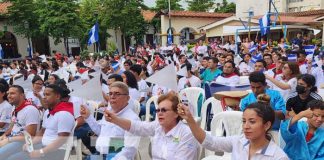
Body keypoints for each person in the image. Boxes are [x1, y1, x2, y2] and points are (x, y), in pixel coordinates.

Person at [178, 94, 288, 160]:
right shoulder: (239, 142)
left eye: (252, 122)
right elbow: (210, 142)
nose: (246, 126)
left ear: (267, 125)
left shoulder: (277, 156)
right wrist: (190, 119)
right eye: (244, 121)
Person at [104, 91, 199, 159]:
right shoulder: (158, 126)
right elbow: (137, 127)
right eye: (158, 110)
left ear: (176, 113)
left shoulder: (187, 134)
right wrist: (115, 119)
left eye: (164, 110)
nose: (159, 113)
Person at [6, 84, 75, 160]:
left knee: (13, 158)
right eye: (44, 94)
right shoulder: (48, 111)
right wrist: (31, 143)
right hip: (44, 146)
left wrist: (41, 152)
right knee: (14, 155)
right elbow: (42, 131)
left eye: (48, 95)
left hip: (58, 151)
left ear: (57, 96)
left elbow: (62, 139)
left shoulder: (64, 114)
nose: (44, 97)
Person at [80, 82, 140, 159]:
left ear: (127, 98)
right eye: (110, 94)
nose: (112, 97)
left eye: (117, 94)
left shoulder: (132, 119)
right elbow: (101, 132)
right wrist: (88, 117)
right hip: (100, 154)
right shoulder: (108, 112)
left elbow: (130, 149)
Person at [0, 85, 40, 158]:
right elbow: (12, 126)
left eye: (12, 93)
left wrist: (9, 140)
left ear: (22, 95)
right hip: (13, 138)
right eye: (8, 93)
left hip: (22, 142)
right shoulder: (14, 108)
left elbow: (30, 136)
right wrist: (4, 135)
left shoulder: (30, 110)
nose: (9, 96)